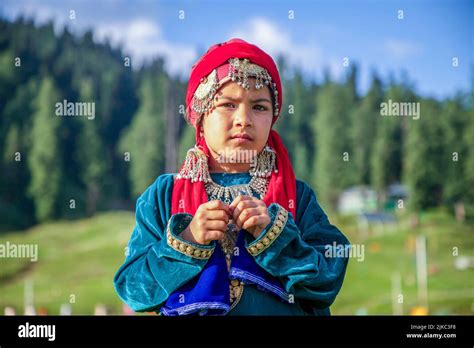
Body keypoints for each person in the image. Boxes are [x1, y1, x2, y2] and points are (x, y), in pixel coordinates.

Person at [114, 38, 350, 316]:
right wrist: (187, 238)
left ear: (272, 117)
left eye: (259, 107)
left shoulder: (296, 196)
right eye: (228, 104)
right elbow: (133, 289)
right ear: (200, 115)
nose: (244, 119)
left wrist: (274, 235)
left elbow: (328, 280)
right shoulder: (164, 196)